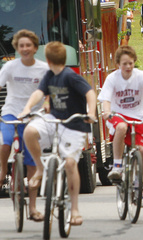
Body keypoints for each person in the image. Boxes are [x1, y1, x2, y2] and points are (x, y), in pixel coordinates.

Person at [20, 41, 97, 227]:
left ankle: (75, 209)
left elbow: (90, 93)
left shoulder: (70, 76)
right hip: (54, 121)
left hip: (74, 125)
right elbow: (39, 93)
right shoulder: (49, 75)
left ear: (47, 59)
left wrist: (92, 113)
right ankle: (40, 168)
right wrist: (27, 108)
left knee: (70, 164)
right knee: (29, 131)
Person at [0, 29, 48, 221]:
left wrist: (48, 104)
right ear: (17, 48)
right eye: (21, 46)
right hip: (11, 112)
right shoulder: (10, 67)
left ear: (35, 48)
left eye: (28, 45)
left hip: (33, 115)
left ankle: (33, 208)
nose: (25, 49)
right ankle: (2, 171)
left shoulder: (43, 69)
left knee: (32, 161)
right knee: (6, 142)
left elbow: (49, 91)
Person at [99, 46, 143, 207]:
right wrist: (107, 112)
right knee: (121, 127)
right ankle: (118, 166)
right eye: (124, 64)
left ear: (134, 63)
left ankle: (138, 185)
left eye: (130, 63)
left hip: (139, 116)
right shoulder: (112, 78)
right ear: (118, 64)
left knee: (141, 151)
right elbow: (105, 99)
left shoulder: (141, 76)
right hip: (118, 114)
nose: (128, 67)